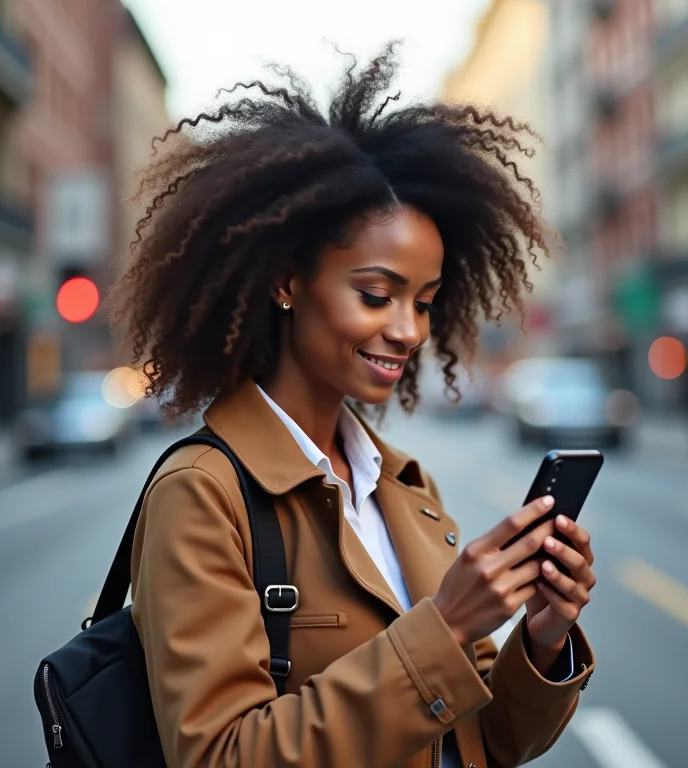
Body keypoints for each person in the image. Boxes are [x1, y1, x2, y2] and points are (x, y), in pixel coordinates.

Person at [109, 44, 596, 768]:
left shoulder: (402, 485)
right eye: (376, 294)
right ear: (286, 282)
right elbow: (220, 756)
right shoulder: (204, 494)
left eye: (425, 302)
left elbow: (486, 742)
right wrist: (447, 625)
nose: (407, 330)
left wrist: (542, 636)